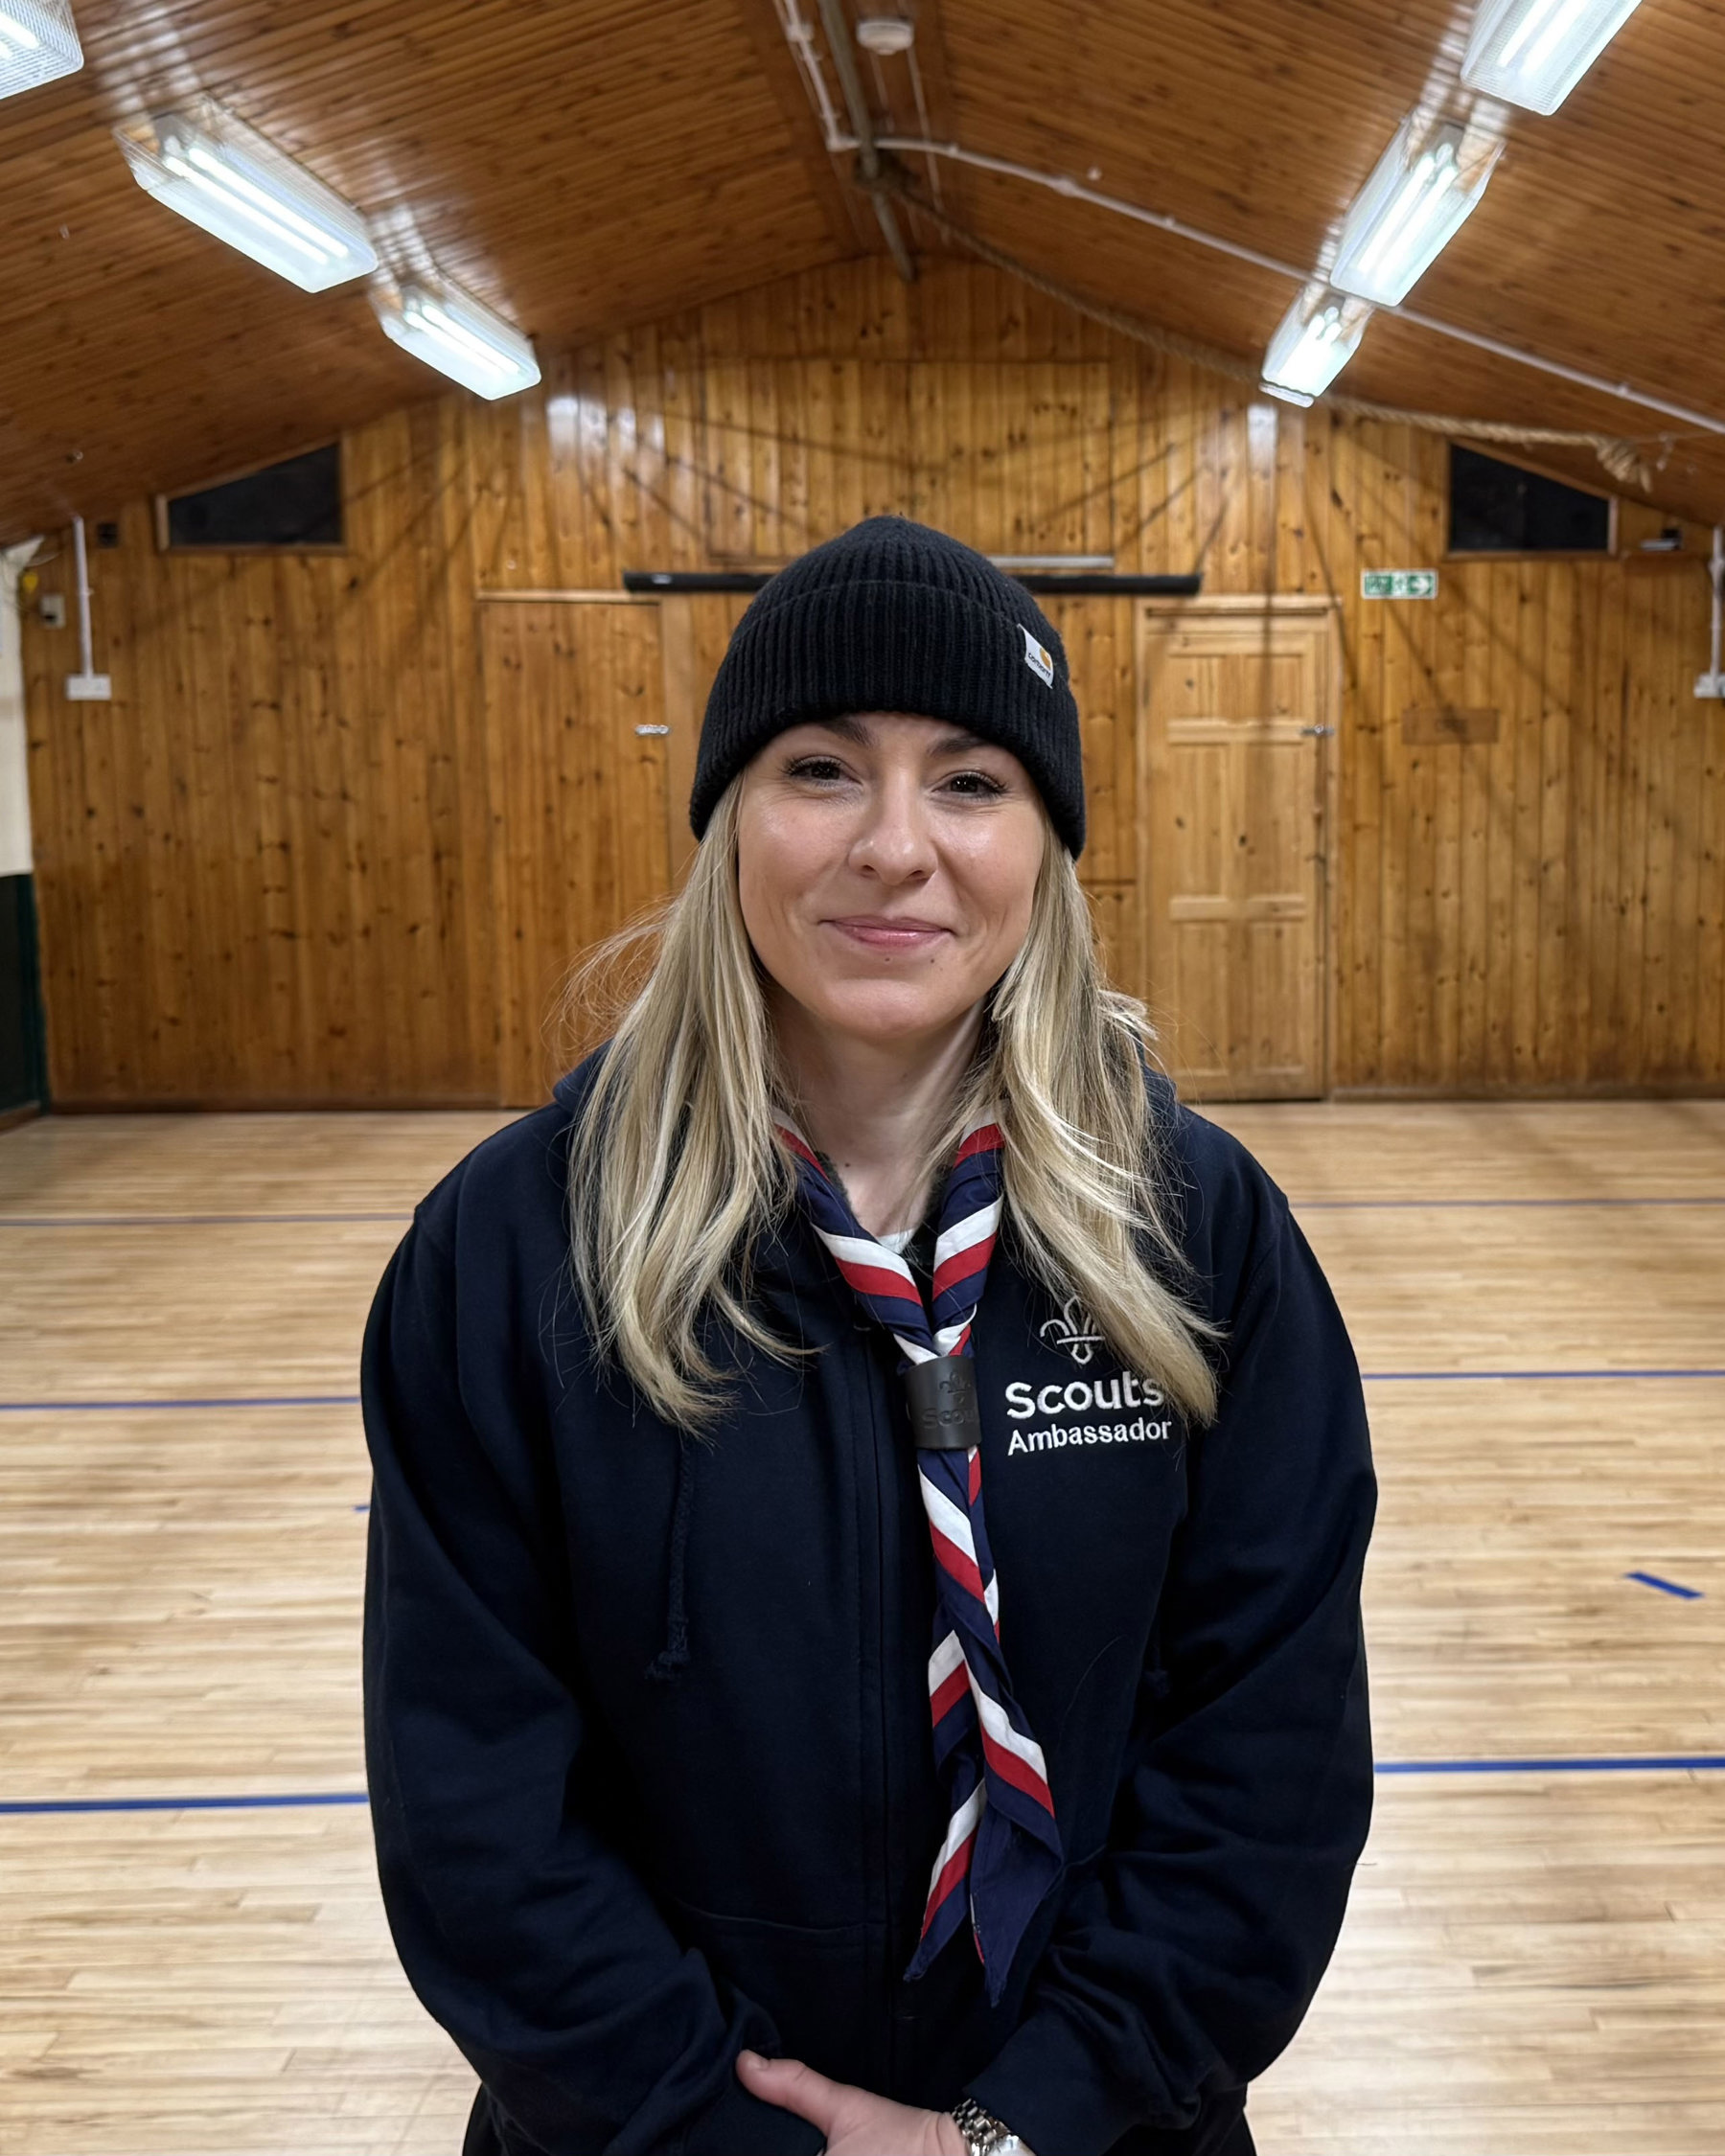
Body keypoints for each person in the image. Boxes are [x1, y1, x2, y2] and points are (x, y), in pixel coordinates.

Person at [360, 516, 1376, 2156]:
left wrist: (1018, 2124)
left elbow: (1268, 1763)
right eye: (823, 768)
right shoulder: (512, 1248)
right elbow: (475, 1809)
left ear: (1045, 841)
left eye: (970, 781)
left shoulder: (1199, 1232)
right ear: (729, 824)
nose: (896, 845)